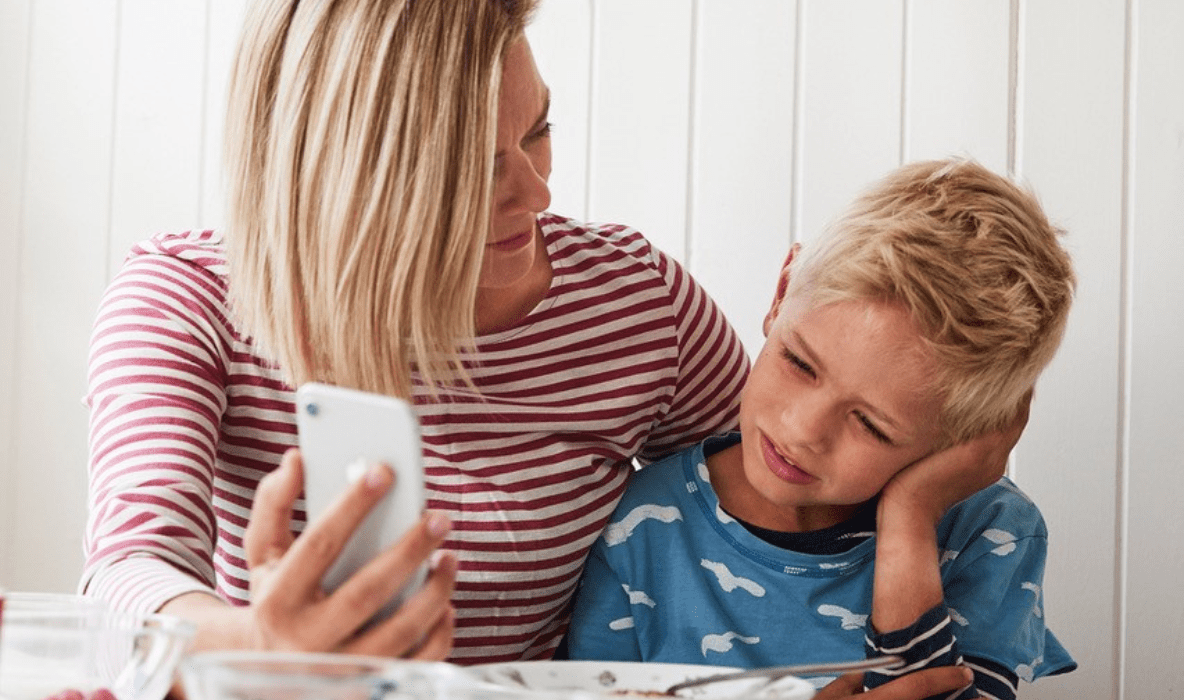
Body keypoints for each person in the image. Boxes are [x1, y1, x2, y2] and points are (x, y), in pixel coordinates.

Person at [81, 0, 749, 664]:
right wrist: (258, 643)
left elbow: (795, 498)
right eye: (474, 167)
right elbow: (127, 573)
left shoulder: (638, 300)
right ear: (340, 172)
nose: (537, 193)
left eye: (538, 132)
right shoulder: (187, 297)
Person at [563, 159, 1079, 700]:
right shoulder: (641, 524)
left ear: (965, 436)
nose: (804, 430)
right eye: (800, 363)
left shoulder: (990, 533)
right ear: (783, 290)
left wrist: (910, 519)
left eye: (870, 425)